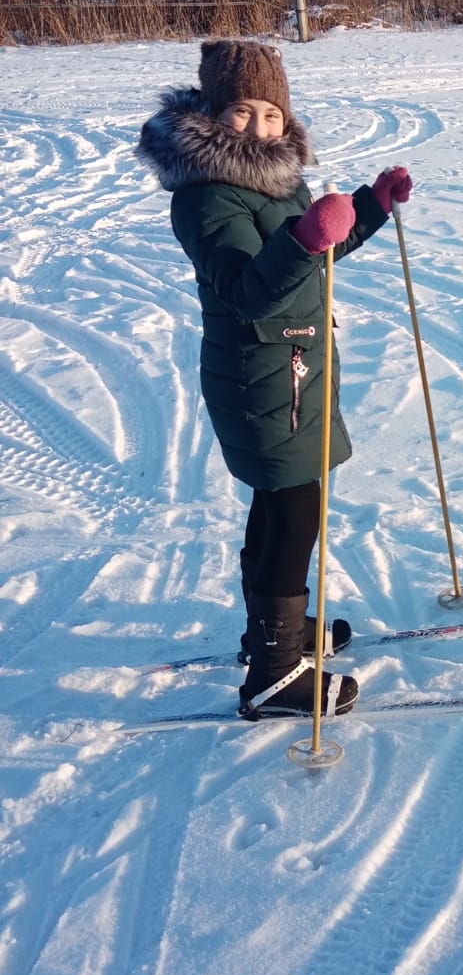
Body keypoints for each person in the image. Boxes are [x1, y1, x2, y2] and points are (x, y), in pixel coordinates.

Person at [136, 39, 413, 718]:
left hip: (289, 368)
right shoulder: (205, 199)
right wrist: (303, 240)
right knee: (294, 511)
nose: (257, 127)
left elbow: (318, 250)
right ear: (210, 112)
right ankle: (273, 672)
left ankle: (273, 635)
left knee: (281, 504)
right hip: (261, 374)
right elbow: (247, 290)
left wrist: (367, 208)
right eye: (240, 112)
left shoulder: (279, 180)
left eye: (269, 113)